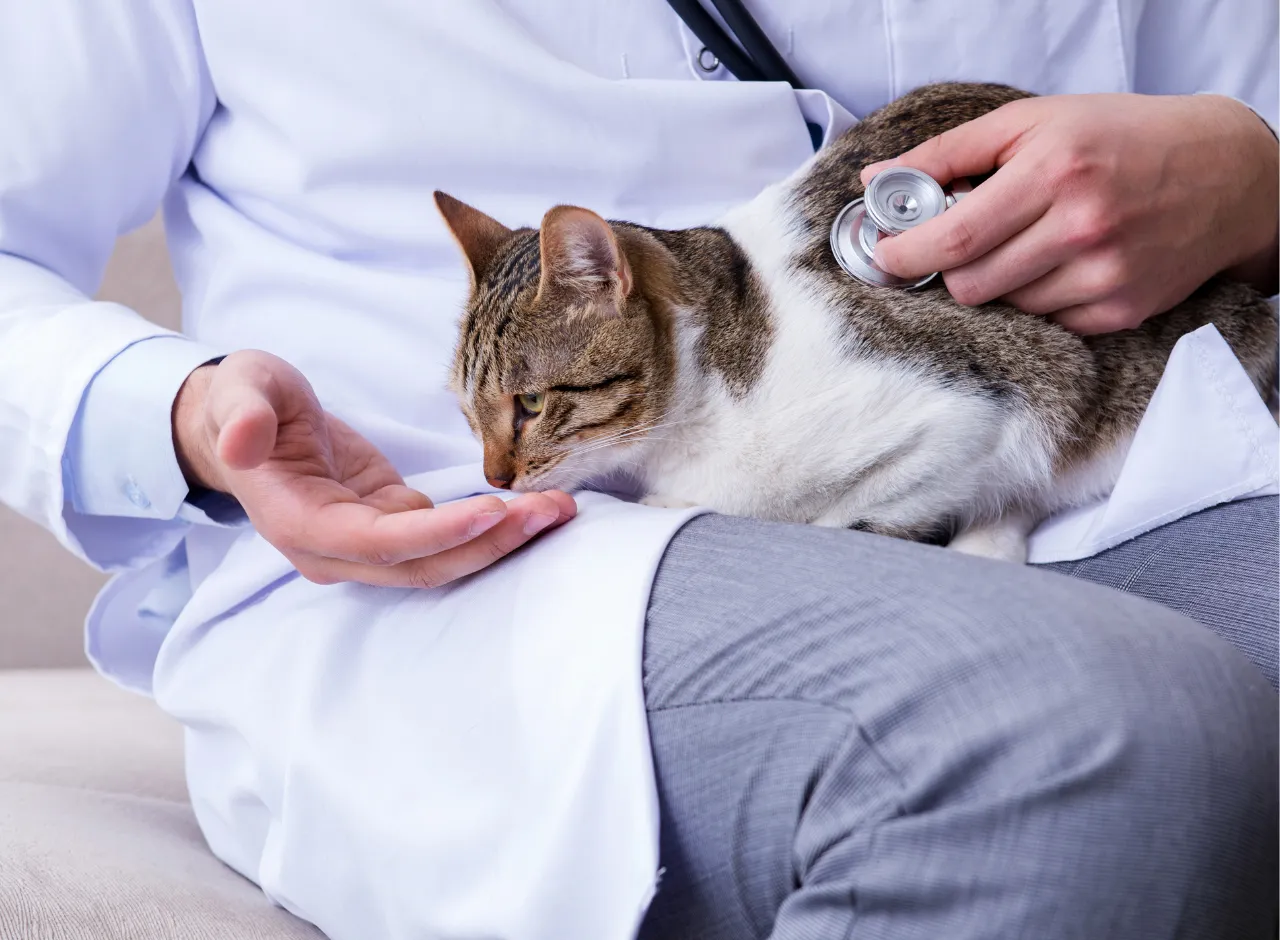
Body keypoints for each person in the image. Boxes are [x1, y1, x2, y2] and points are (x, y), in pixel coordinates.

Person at [0, 2, 1276, 938]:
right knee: (1077, 733)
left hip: (1111, 452)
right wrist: (175, 408)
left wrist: (1257, 173)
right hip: (487, 552)